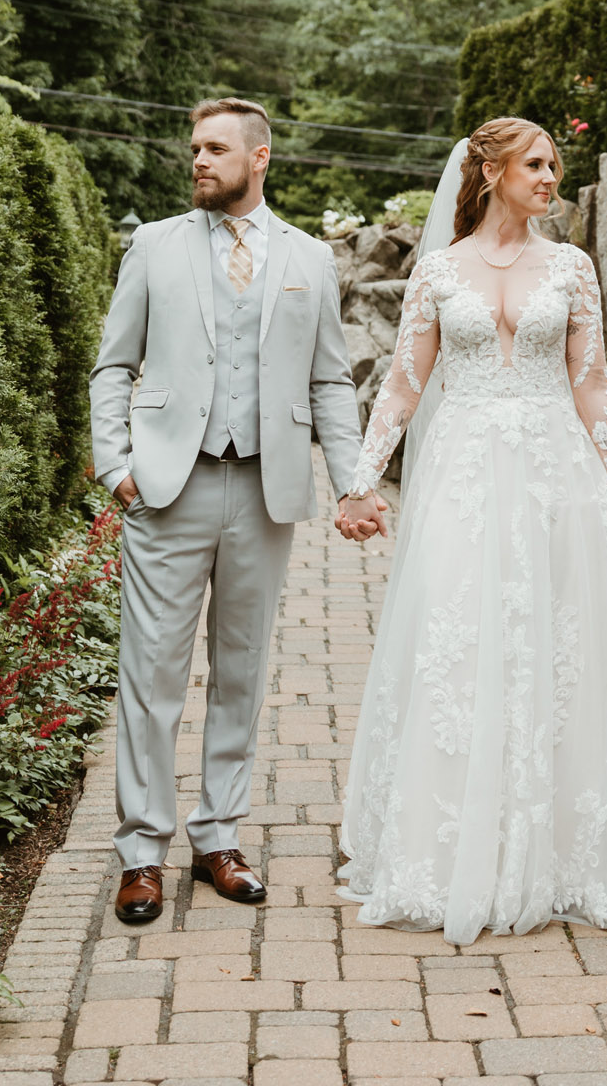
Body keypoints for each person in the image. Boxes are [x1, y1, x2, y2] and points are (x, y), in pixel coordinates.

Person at [337, 116, 607, 943]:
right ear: (489, 172)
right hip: (465, 477)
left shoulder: (572, 268)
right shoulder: (438, 271)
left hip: (557, 476)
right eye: (535, 164)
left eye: (554, 165)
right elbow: (403, 387)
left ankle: (549, 850)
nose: (550, 178)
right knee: (458, 642)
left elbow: (592, 384)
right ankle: (449, 849)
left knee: (554, 645)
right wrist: (361, 481)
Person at [89, 97, 384, 924]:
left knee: (241, 671)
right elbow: (112, 365)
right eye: (194, 148)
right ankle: (141, 851)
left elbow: (329, 379)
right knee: (151, 676)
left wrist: (353, 480)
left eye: (216, 149)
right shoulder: (154, 245)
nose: (198, 161)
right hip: (168, 488)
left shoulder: (309, 258)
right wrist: (116, 467)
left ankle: (218, 836)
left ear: (259, 158)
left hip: (263, 491)